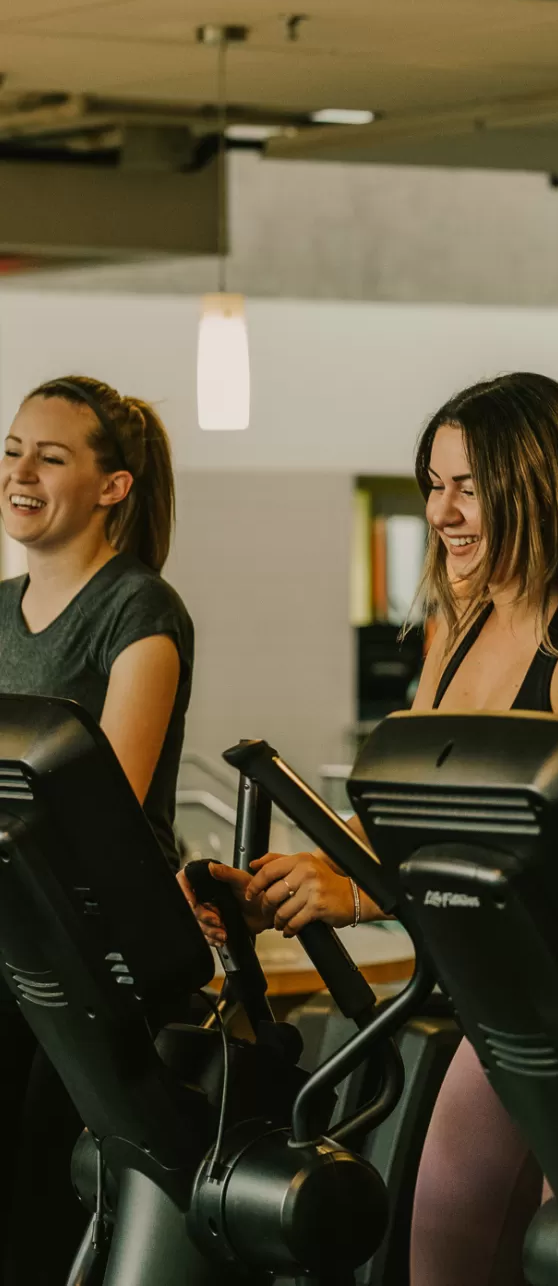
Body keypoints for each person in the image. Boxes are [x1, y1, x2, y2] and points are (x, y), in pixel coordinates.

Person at [191, 372, 558, 1286]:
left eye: (469, 486)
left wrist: (357, 890)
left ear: (544, 483)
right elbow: (413, 817)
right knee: (442, 1251)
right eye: (433, 484)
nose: (443, 511)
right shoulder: (455, 631)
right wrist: (296, 876)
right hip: (504, 1002)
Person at [0, 375, 194, 1285]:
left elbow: (102, 811)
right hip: (11, 926)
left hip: (98, 946)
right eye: (12, 450)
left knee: (41, 1190)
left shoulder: (138, 611)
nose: (20, 471)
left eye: (50, 454)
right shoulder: (0, 610)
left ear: (112, 486)